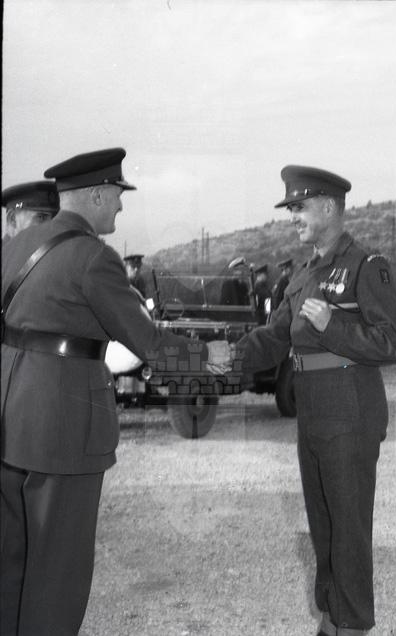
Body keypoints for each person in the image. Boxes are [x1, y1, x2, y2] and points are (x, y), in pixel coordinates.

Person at [1, 147, 220, 636]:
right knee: (56, 576)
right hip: (63, 432)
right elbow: (149, 344)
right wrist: (207, 357)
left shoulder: (16, 245)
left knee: (12, 564)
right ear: (98, 194)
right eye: (118, 194)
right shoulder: (94, 257)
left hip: (11, 425)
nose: (121, 205)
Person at [228, 165, 396, 636]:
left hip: (350, 413)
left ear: (329, 207)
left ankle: (353, 624)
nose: (293, 217)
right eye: (291, 208)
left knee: (348, 528)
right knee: (323, 525)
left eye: (300, 207)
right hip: (313, 412)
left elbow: (393, 343)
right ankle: (332, 619)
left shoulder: (366, 266)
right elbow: (273, 339)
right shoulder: (304, 275)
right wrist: (217, 360)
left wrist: (334, 325)